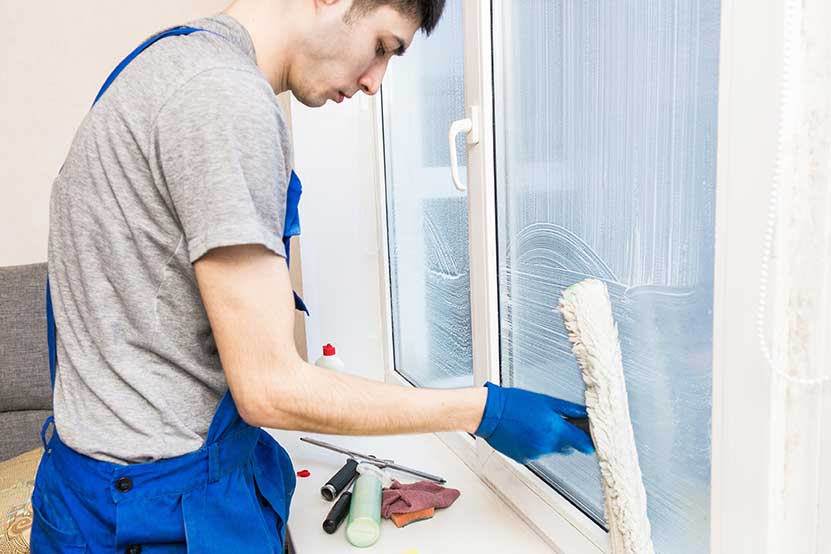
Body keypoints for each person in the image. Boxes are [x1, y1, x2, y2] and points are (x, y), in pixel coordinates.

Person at [32, 0, 593, 552]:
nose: (375, 82)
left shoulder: (160, 65)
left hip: (86, 490)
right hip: (153, 517)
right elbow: (269, 389)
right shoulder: (222, 98)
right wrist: (484, 411)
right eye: (382, 46)